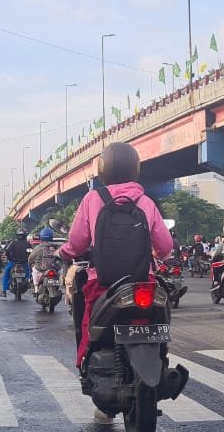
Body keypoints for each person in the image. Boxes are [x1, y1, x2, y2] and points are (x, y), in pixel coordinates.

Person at [59, 142, 174, 365]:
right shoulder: (146, 201)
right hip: (142, 281)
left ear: (103, 169)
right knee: (159, 310)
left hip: (102, 282)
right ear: (135, 169)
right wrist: (162, 256)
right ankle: (161, 355)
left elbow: (76, 243)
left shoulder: (92, 199)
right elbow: (165, 247)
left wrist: (63, 253)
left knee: (88, 321)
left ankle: (84, 360)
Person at [29, 226, 58, 293]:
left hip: (40, 269)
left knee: (34, 272)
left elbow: (31, 258)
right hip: (54, 268)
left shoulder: (38, 247)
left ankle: (36, 288)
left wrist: (31, 262)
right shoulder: (55, 246)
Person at [1, 227, 30, 296]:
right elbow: (30, 252)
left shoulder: (13, 243)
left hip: (13, 263)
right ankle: (30, 284)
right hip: (24, 263)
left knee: (6, 274)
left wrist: (8, 257)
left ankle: (4, 291)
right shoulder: (27, 243)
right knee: (29, 273)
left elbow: (7, 251)